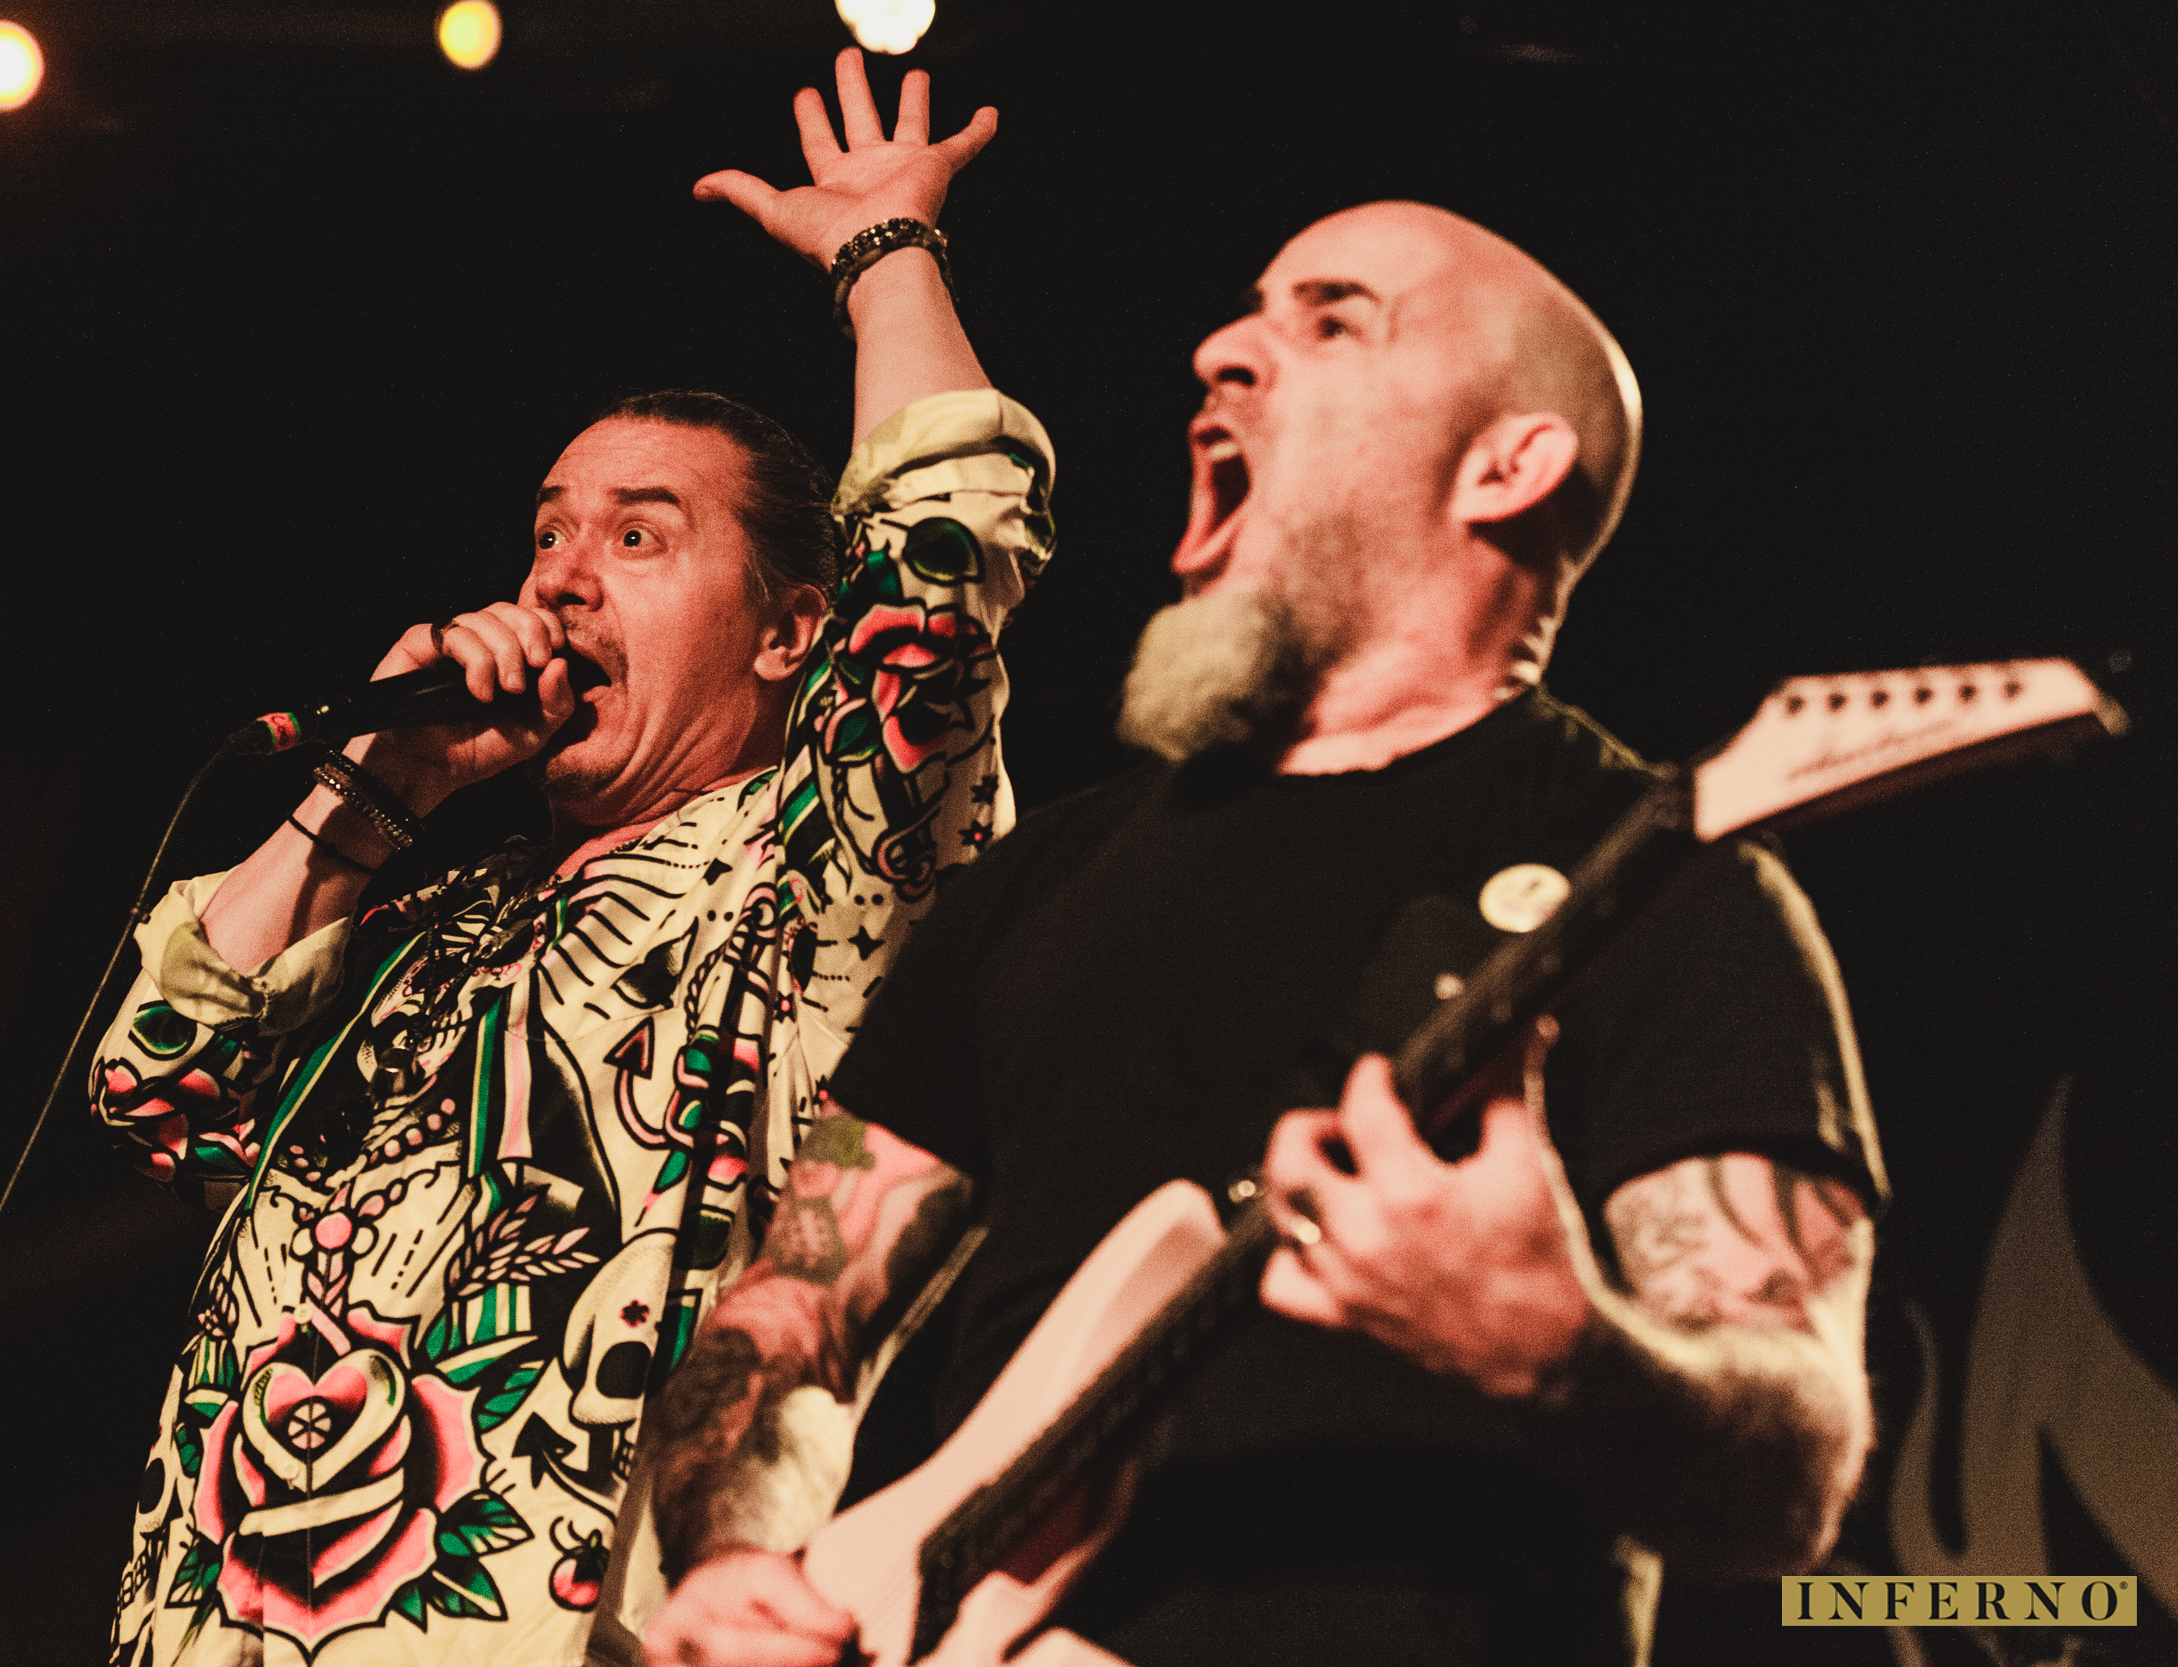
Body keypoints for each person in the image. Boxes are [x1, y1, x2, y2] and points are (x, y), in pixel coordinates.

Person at [640, 202, 1888, 1667]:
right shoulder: (1045, 879)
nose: (1223, 350)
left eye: (1332, 318)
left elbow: (1797, 1466)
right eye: (1250, 308)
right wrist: (731, 1561)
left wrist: (1558, 1345)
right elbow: (794, 1305)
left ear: (1507, 466)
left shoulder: (1669, 885)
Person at [88, 53, 1057, 1667]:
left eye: (637, 535)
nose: (560, 580)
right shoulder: (420, 926)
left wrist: (886, 255)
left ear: (790, 634)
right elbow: (153, 1082)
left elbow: (938, 570)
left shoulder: (820, 867)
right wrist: (371, 796)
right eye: (548, 532)